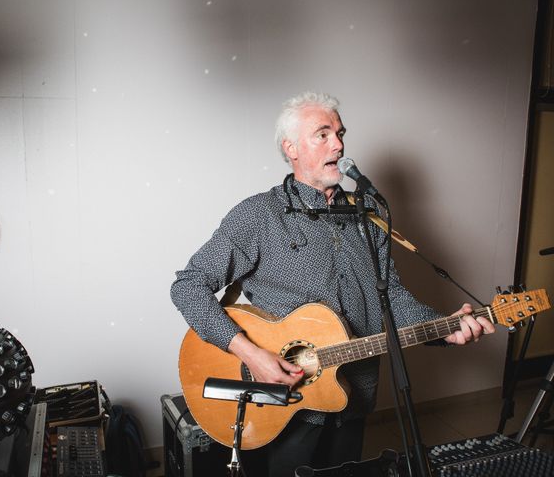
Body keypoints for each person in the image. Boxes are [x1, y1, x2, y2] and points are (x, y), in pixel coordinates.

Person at [170, 91, 495, 476]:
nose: (338, 144)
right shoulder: (258, 215)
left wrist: (446, 328)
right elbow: (188, 286)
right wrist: (251, 354)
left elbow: (390, 295)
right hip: (282, 405)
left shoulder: (368, 214)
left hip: (352, 396)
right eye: (322, 134)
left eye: (340, 134)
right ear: (290, 148)